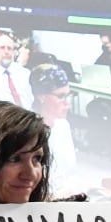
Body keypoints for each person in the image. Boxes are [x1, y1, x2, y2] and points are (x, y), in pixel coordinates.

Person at [30, 64, 80, 196]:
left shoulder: (63, 126)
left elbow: (70, 173)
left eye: (68, 95)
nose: (67, 102)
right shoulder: (30, 134)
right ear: (42, 97)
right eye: (61, 96)